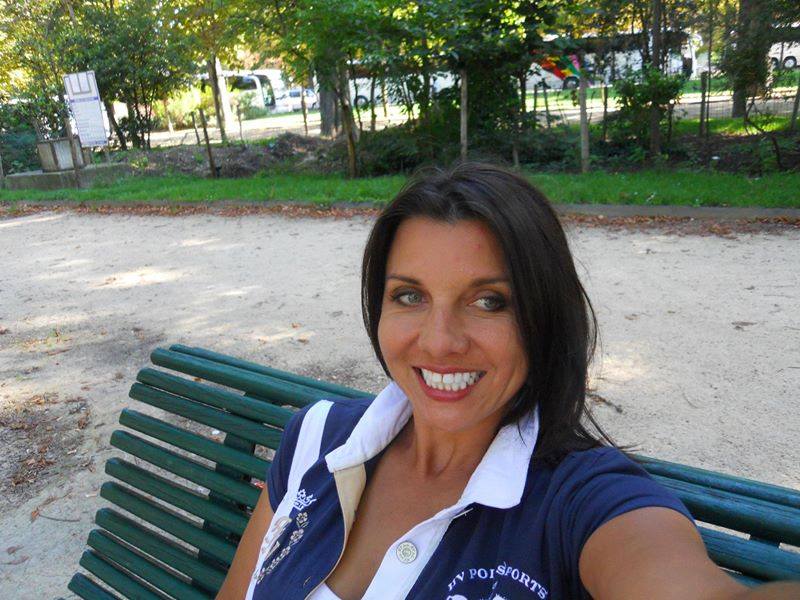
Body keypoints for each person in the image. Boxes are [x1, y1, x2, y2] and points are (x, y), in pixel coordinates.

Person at [218, 163, 799, 599]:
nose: (439, 341)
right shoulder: (317, 439)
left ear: (544, 318)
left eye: (489, 301)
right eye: (410, 296)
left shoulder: (581, 503)